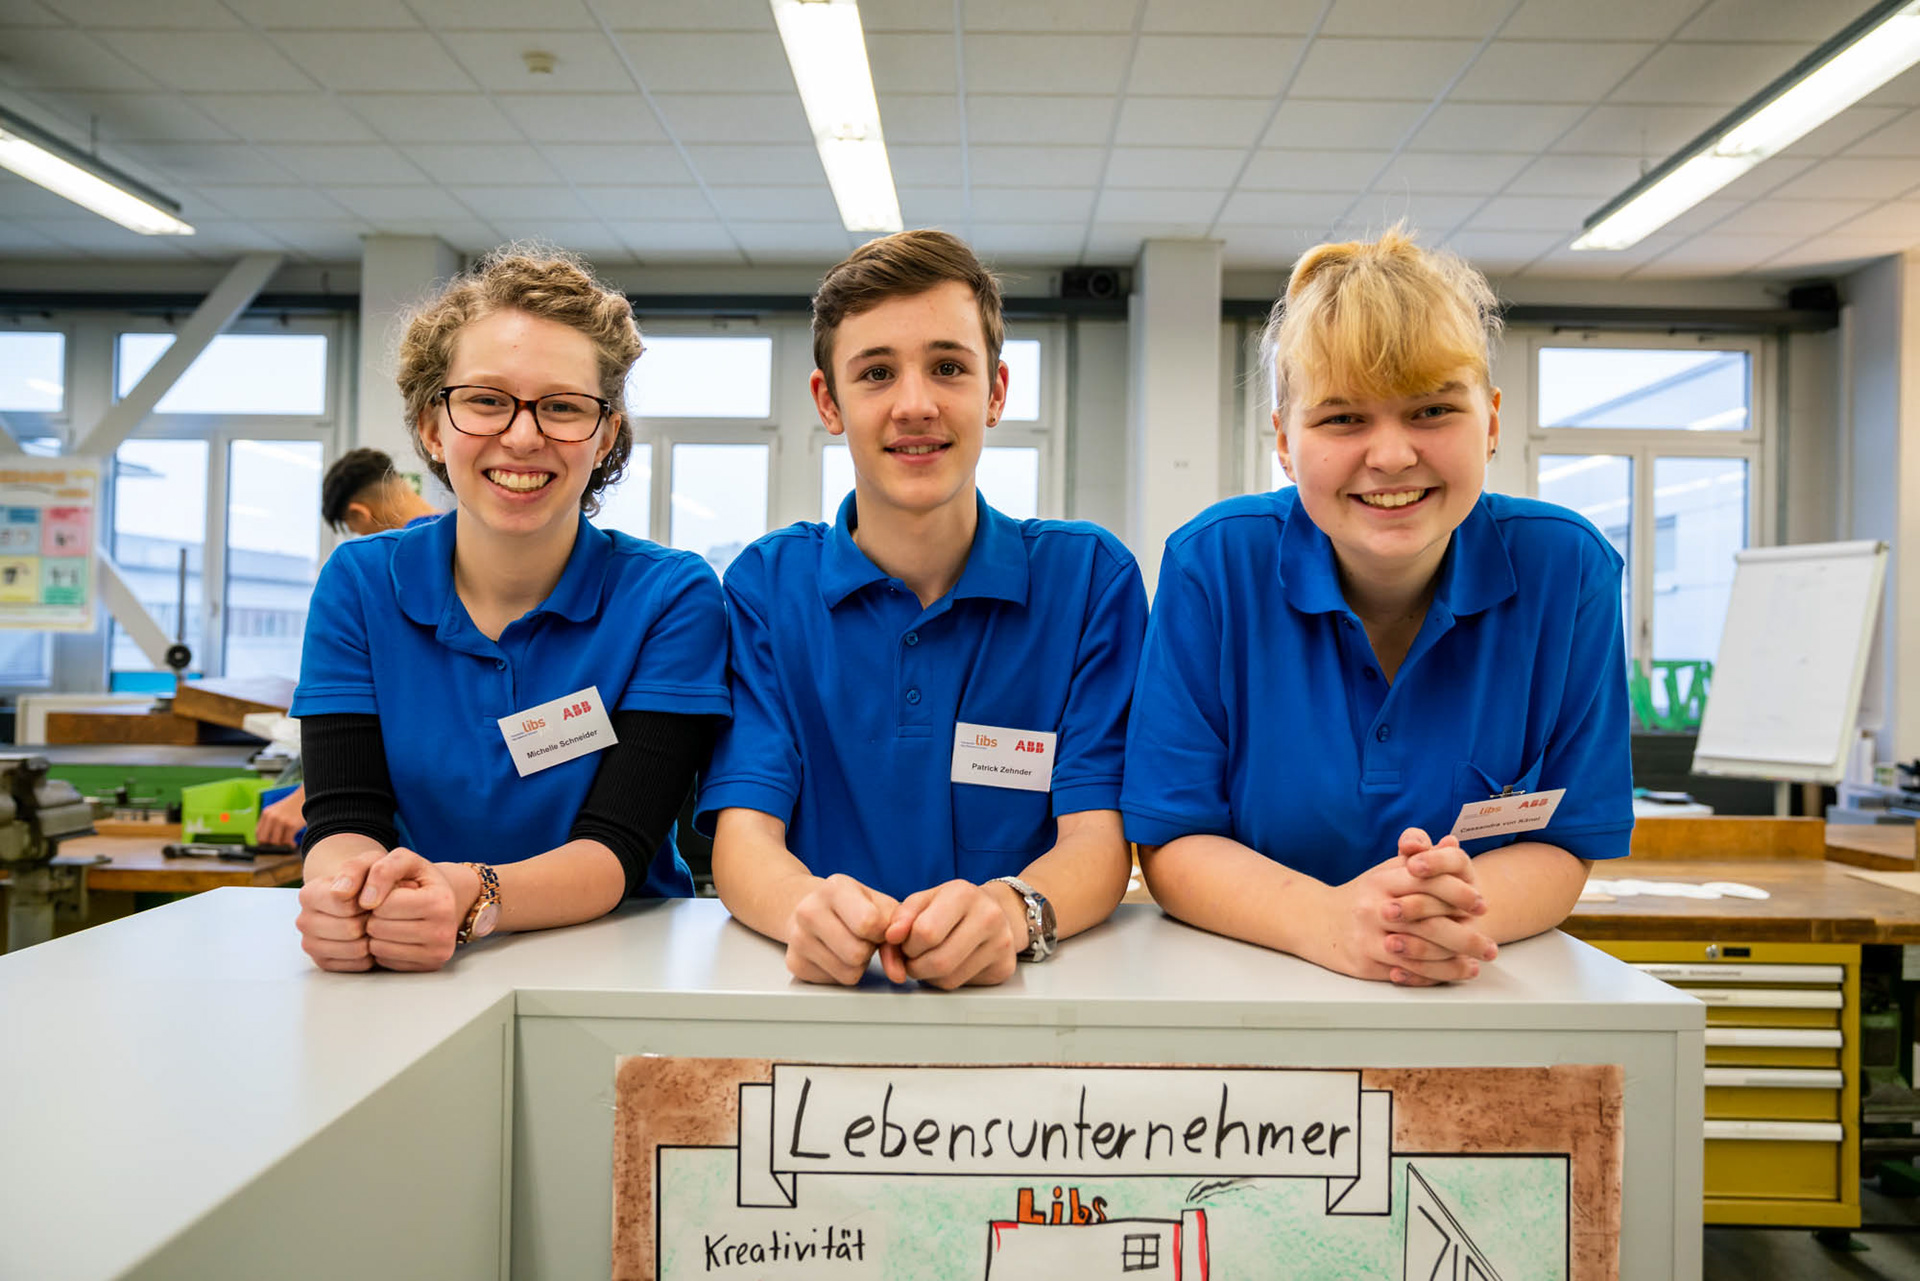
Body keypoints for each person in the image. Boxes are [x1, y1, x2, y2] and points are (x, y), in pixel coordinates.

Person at [1121, 227, 1632, 986]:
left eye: (1432, 411)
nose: (1391, 455)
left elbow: (1566, 840)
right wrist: (1331, 923)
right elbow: (1172, 841)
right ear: (1284, 442)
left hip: (1470, 990)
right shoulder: (1214, 565)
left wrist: (1425, 923)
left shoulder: (1569, 570)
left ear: (1491, 422)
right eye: (1342, 418)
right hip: (1249, 992)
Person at [700, 230, 1145, 990]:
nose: (915, 405)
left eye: (948, 367)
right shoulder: (766, 588)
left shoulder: (1089, 582)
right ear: (829, 402)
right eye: (876, 373)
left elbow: (1098, 842)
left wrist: (1010, 913)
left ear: (996, 392)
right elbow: (744, 837)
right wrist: (804, 910)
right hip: (823, 1002)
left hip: (1023, 1005)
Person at [289, 246, 730, 973]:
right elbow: (345, 817)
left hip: (617, 966)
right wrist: (348, 894)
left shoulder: (669, 597)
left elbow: (617, 844)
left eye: (562, 407)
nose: (523, 436)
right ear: (432, 426)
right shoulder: (359, 586)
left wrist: (472, 895)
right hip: (411, 963)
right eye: (487, 400)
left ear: (605, 435)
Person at [258, 450, 443, 848]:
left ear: (359, 515)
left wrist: (305, 796)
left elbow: (402, 714)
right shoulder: (465, 548)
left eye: (356, 531)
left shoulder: (376, 571)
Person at [319, 447, 440, 536]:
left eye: (356, 531)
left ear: (360, 514)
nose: (363, 538)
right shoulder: (448, 529)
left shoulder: (403, 553)